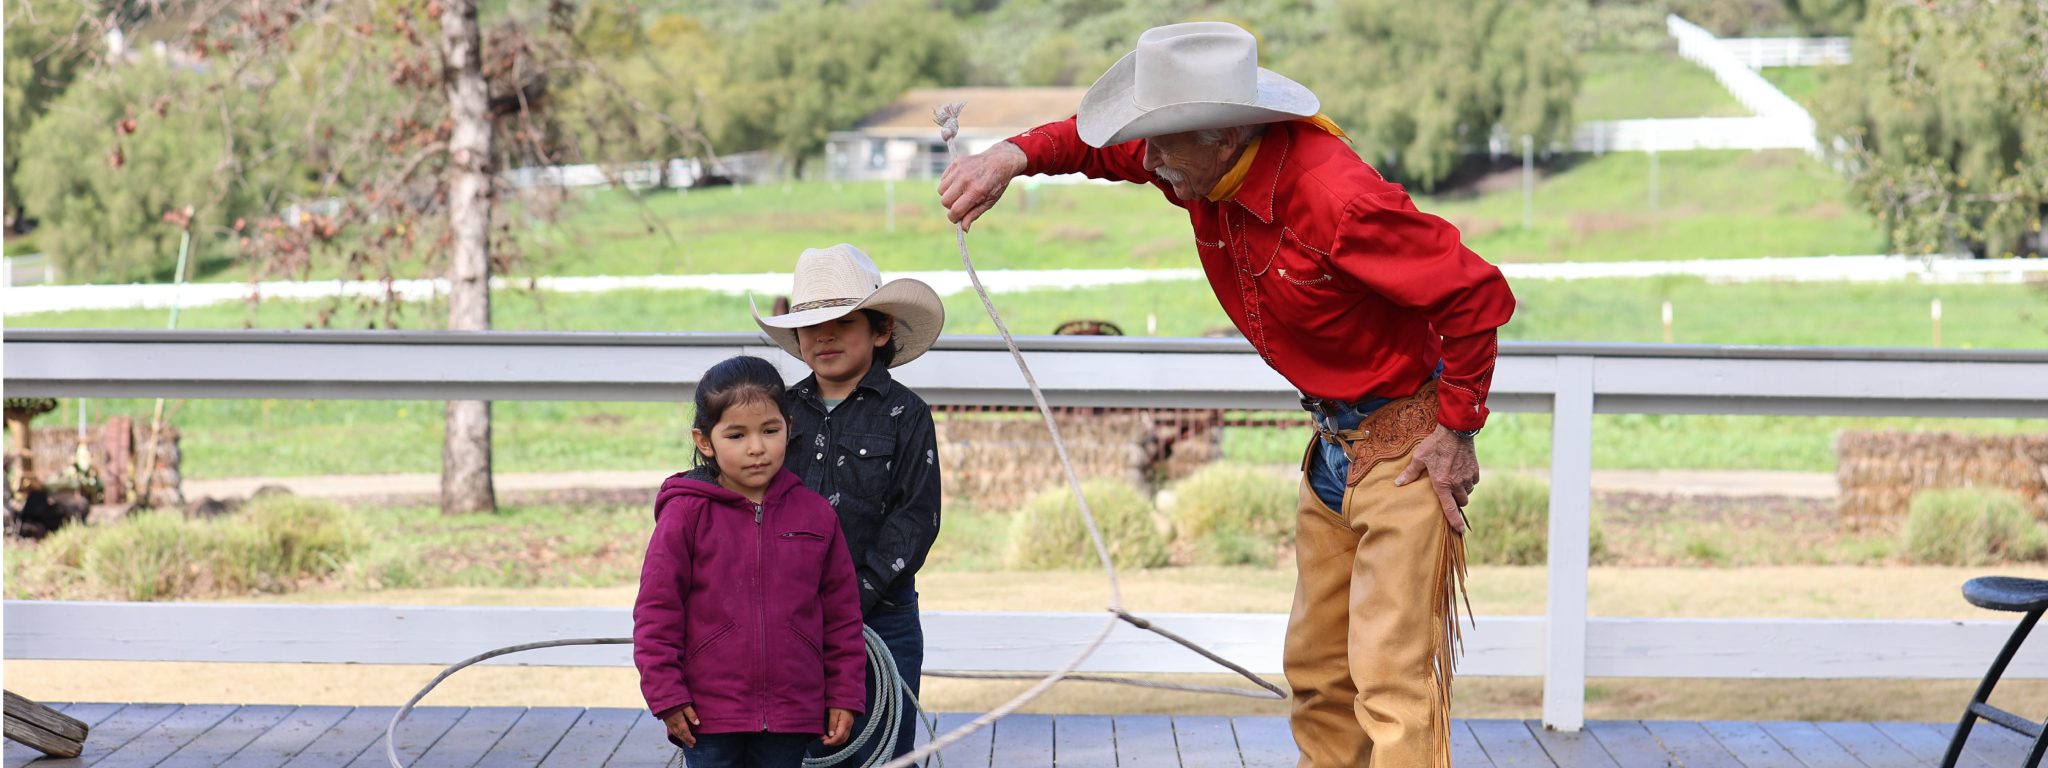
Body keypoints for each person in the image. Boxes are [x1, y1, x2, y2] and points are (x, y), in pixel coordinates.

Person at [936, 22, 1516, 768]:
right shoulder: (1205, 162)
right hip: (1335, 449)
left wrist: (1458, 429)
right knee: (1316, 673)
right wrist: (1010, 157)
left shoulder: (1337, 199)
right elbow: (1091, 147)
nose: (1145, 164)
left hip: (1403, 449)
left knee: (1392, 686)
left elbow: (1474, 295)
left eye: (1159, 146)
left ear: (1219, 135)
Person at [753, 243, 946, 763]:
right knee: (792, 748)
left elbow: (916, 519)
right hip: (789, 613)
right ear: (797, 337)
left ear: (880, 330)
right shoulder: (778, 414)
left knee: (879, 746)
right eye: (811, 326)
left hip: (881, 614)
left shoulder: (906, 414)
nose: (825, 336)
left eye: (842, 321)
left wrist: (854, 595)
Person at [633, 355, 866, 768]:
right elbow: (657, 612)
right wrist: (666, 694)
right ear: (705, 441)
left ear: (789, 430)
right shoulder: (685, 514)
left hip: (793, 712)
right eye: (736, 435)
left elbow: (842, 616)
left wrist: (845, 693)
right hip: (707, 714)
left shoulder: (816, 515)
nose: (757, 448)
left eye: (770, 431)